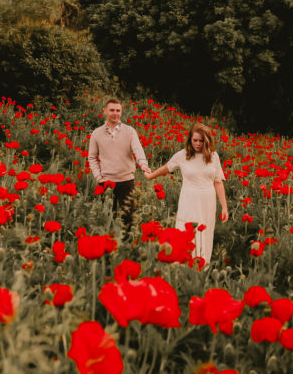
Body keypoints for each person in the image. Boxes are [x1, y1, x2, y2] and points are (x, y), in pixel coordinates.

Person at [146, 122, 228, 268]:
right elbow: (167, 167)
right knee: (186, 231)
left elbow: (218, 182)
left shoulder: (213, 157)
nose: (197, 143)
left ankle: (202, 267)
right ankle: (182, 266)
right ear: (190, 139)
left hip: (208, 200)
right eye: (195, 140)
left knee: (205, 233)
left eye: (201, 141)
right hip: (189, 199)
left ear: (207, 140)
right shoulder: (183, 155)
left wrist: (224, 207)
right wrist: (151, 176)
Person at [88, 98, 151, 226]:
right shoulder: (96, 133)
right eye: (112, 110)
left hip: (126, 182)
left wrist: (143, 165)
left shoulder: (130, 131)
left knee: (127, 220)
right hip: (106, 183)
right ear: (105, 111)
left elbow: (137, 150)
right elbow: (92, 157)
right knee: (106, 219)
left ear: (121, 112)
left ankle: (126, 245)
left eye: (118, 110)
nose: (115, 113)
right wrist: (99, 178)